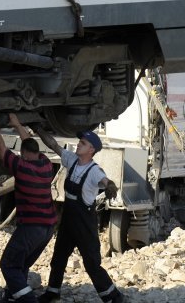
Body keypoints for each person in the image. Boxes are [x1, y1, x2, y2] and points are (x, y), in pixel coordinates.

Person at [33, 127, 123, 303]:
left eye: (83, 143)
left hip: (84, 224)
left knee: (91, 264)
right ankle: (52, 293)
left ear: (91, 150)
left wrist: (111, 186)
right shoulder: (71, 160)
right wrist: (38, 129)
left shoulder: (94, 171)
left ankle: (113, 297)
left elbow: (105, 180)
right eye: (79, 142)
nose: (78, 145)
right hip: (68, 221)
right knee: (58, 258)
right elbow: (53, 145)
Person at [0, 113, 57, 303]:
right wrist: (17, 124)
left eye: (21, 154)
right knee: (21, 264)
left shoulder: (21, 167)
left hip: (31, 228)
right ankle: (12, 297)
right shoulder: (47, 165)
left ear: (24, 155)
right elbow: (29, 144)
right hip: (48, 229)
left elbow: (0, 148)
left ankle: (28, 300)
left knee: (8, 265)